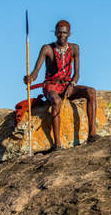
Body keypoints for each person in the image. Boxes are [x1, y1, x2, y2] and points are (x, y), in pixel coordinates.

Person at [23, 20, 99, 150]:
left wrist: (72, 85)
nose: (62, 35)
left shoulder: (75, 48)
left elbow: (77, 74)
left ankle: (92, 134)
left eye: (64, 32)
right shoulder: (47, 49)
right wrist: (30, 78)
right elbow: (35, 72)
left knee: (91, 92)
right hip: (51, 86)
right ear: (55, 33)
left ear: (69, 33)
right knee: (57, 101)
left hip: (67, 86)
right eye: (59, 32)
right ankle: (57, 144)